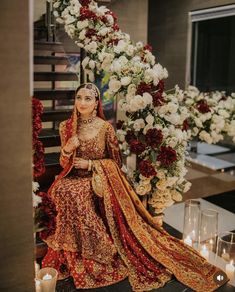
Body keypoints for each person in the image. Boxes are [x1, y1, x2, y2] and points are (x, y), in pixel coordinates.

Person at [42, 83, 228, 291]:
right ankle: (70, 250)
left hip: (96, 179)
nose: (82, 102)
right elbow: (63, 163)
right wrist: (67, 149)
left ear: (96, 103)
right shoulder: (66, 126)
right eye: (79, 98)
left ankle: (95, 250)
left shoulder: (105, 128)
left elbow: (115, 162)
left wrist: (92, 164)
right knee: (59, 190)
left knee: (76, 193)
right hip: (72, 176)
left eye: (88, 98)